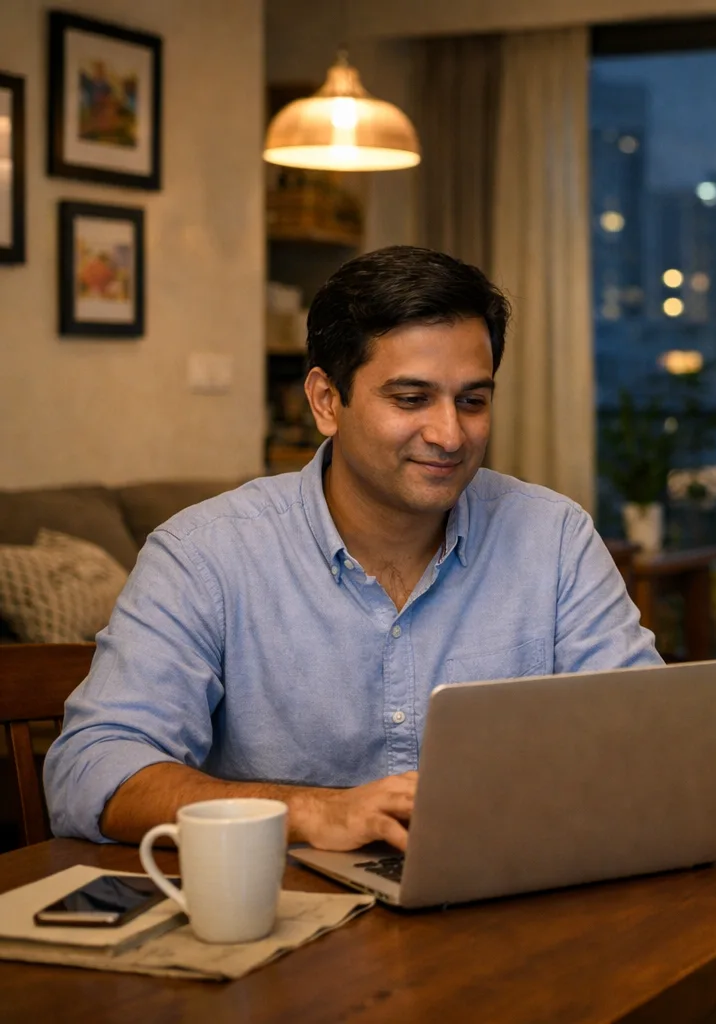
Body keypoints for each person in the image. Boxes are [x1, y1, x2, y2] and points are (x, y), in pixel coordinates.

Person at [44, 246, 662, 852]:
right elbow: (91, 770)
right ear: (325, 401)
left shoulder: (554, 538)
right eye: (411, 398)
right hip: (288, 918)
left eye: (472, 400)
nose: (450, 435)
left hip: (508, 891)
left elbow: (649, 740)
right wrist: (315, 812)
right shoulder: (204, 556)